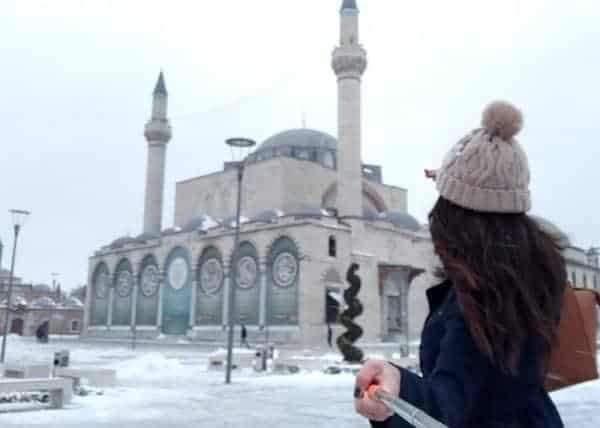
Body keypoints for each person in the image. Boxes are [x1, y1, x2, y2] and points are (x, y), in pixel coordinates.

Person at [354, 101, 566, 427]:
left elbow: (447, 408)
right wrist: (459, 181)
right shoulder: (535, 269)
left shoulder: (480, 299)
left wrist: (394, 390)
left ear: (456, 218)